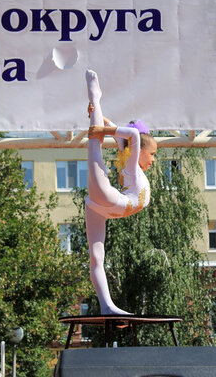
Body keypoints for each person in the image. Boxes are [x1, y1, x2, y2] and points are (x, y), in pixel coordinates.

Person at [85, 70, 157, 315]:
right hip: (109, 201)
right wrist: (103, 129)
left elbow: (123, 137)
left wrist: (104, 122)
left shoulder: (130, 162)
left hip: (105, 209)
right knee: (94, 141)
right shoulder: (133, 164)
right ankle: (94, 94)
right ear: (141, 152)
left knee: (97, 258)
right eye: (153, 154)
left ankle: (106, 306)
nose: (154, 160)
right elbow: (133, 135)